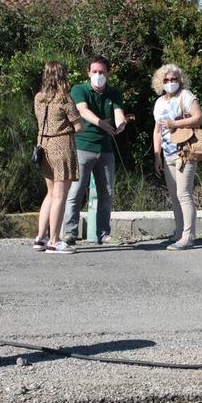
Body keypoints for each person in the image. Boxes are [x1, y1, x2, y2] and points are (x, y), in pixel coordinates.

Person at [61, 55, 127, 246]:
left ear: (108, 73)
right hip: (83, 147)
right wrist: (101, 124)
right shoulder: (79, 89)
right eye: (95, 72)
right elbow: (82, 110)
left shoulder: (114, 93)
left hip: (106, 150)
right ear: (88, 73)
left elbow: (118, 112)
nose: (98, 75)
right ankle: (70, 233)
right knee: (76, 192)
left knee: (106, 192)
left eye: (102, 72)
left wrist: (120, 123)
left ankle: (103, 233)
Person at [151, 64, 202, 251]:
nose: (170, 82)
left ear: (180, 80)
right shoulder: (159, 103)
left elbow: (199, 117)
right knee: (174, 196)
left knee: (183, 193)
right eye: (166, 80)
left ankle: (188, 235)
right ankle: (179, 232)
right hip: (167, 154)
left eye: (174, 79)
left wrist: (175, 123)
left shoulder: (186, 96)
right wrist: (157, 156)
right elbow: (157, 130)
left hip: (185, 151)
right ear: (160, 82)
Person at [32, 61, 83, 254]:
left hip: (43, 147)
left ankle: (40, 237)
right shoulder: (64, 99)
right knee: (60, 196)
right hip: (61, 147)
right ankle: (54, 240)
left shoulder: (39, 98)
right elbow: (79, 126)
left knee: (50, 194)